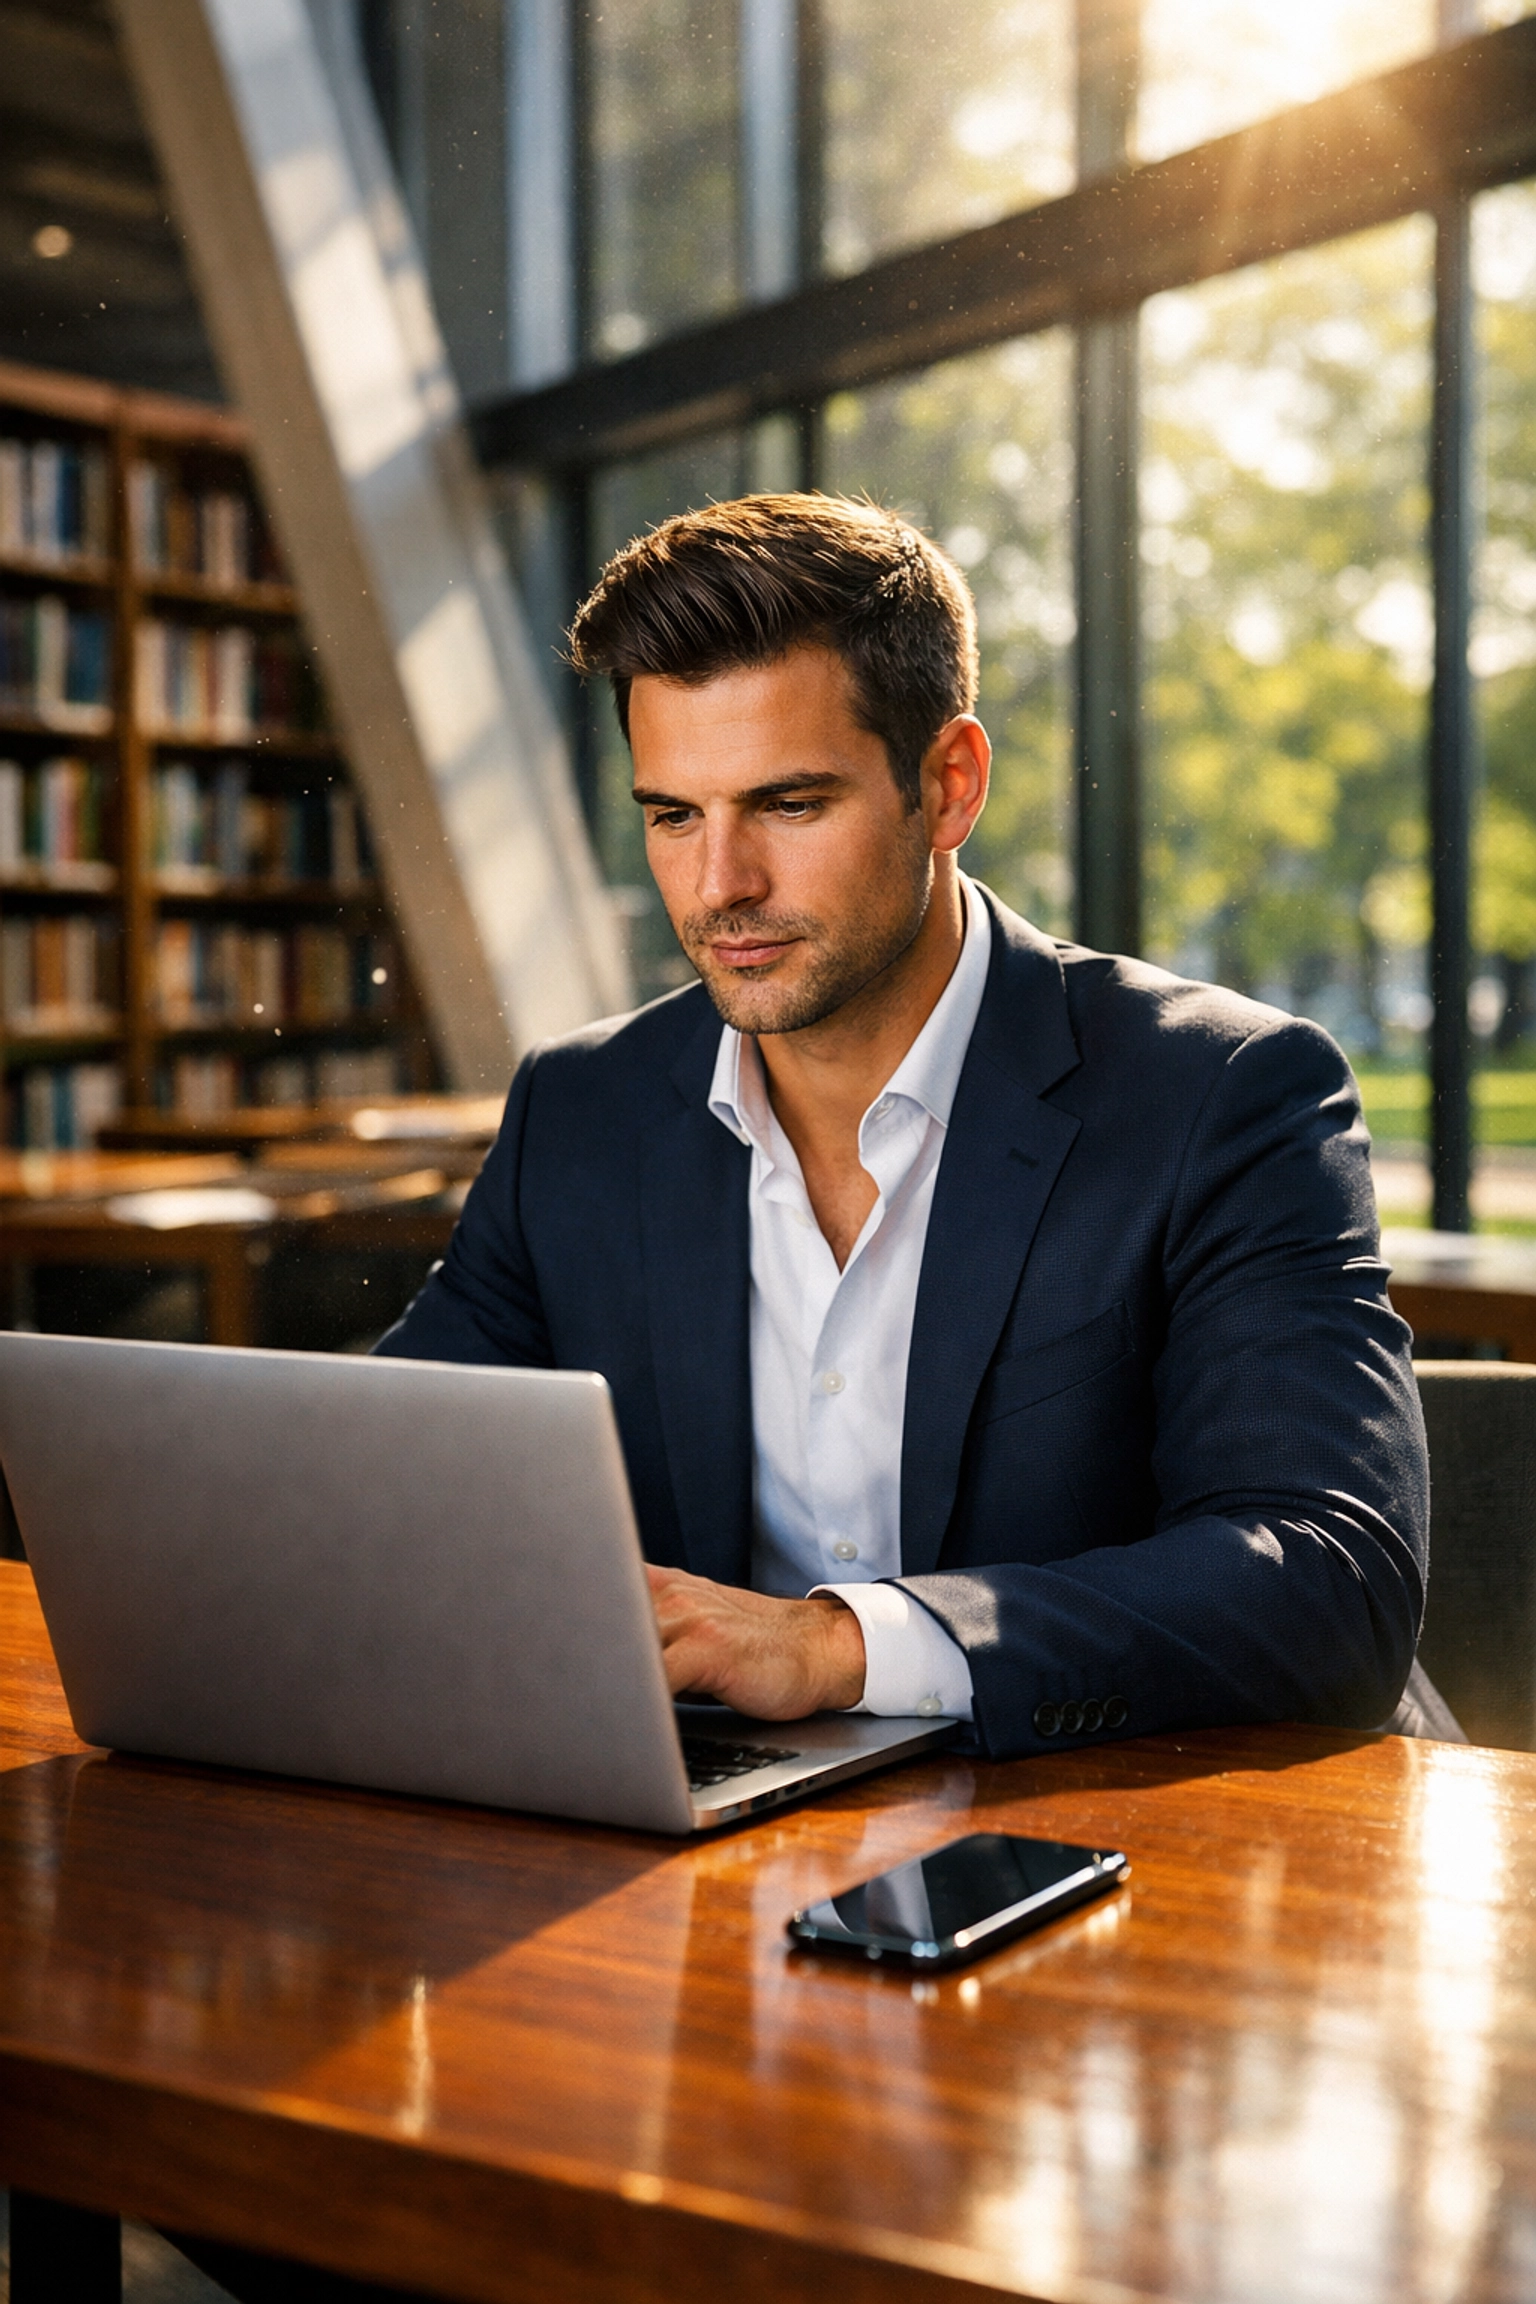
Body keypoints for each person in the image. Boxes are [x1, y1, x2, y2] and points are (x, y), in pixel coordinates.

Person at [377, 493, 1439, 1757]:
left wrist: (836, 1645)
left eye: (789, 804)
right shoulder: (582, 1112)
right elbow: (387, 1473)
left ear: (948, 786)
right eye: (673, 816)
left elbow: (1329, 1578)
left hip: (1127, 1828)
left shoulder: (1226, 1096)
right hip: (714, 1840)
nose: (721, 886)